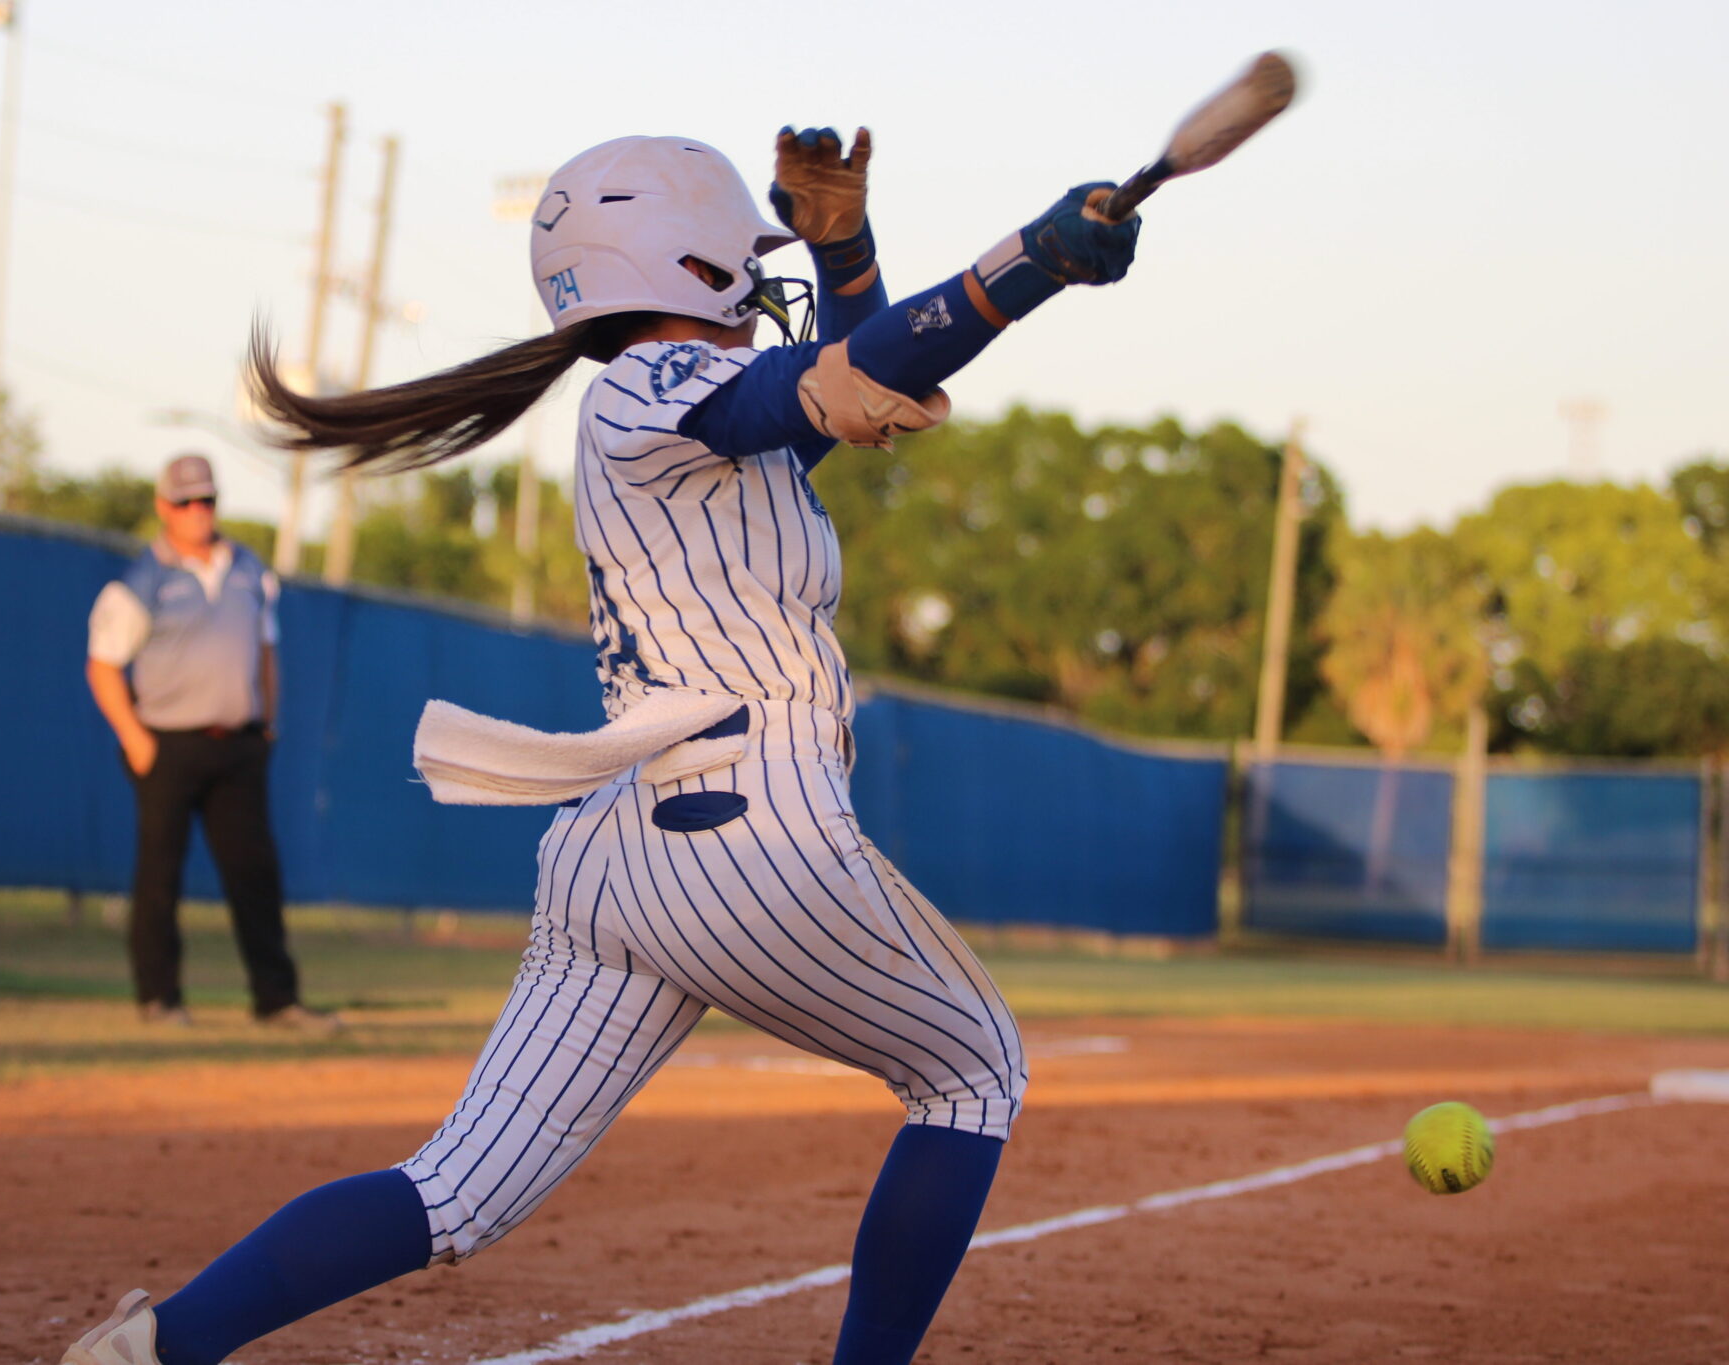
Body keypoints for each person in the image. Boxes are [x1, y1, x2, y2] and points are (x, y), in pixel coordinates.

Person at [59, 128, 1138, 1365]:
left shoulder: (679, 408)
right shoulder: (651, 390)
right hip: (749, 829)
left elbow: (854, 374)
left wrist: (850, 247)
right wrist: (1031, 263)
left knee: (451, 1190)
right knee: (971, 1074)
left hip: (623, 857)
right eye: (742, 255)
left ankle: (153, 1349)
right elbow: (865, 365)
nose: (759, 277)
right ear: (680, 268)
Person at [84, 452, 335, 1034]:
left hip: (239, 745)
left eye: (207, 500)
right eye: (185, 502)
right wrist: (135, 737)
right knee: (160, 875)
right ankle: (160, 999)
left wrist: (267, 724)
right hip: (167, 745)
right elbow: (102, 666)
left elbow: (266, 652)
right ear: (163, 508)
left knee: (255, 875)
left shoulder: (248, 567)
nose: (198, 512)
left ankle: (276, 1001)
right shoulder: (141, 581)